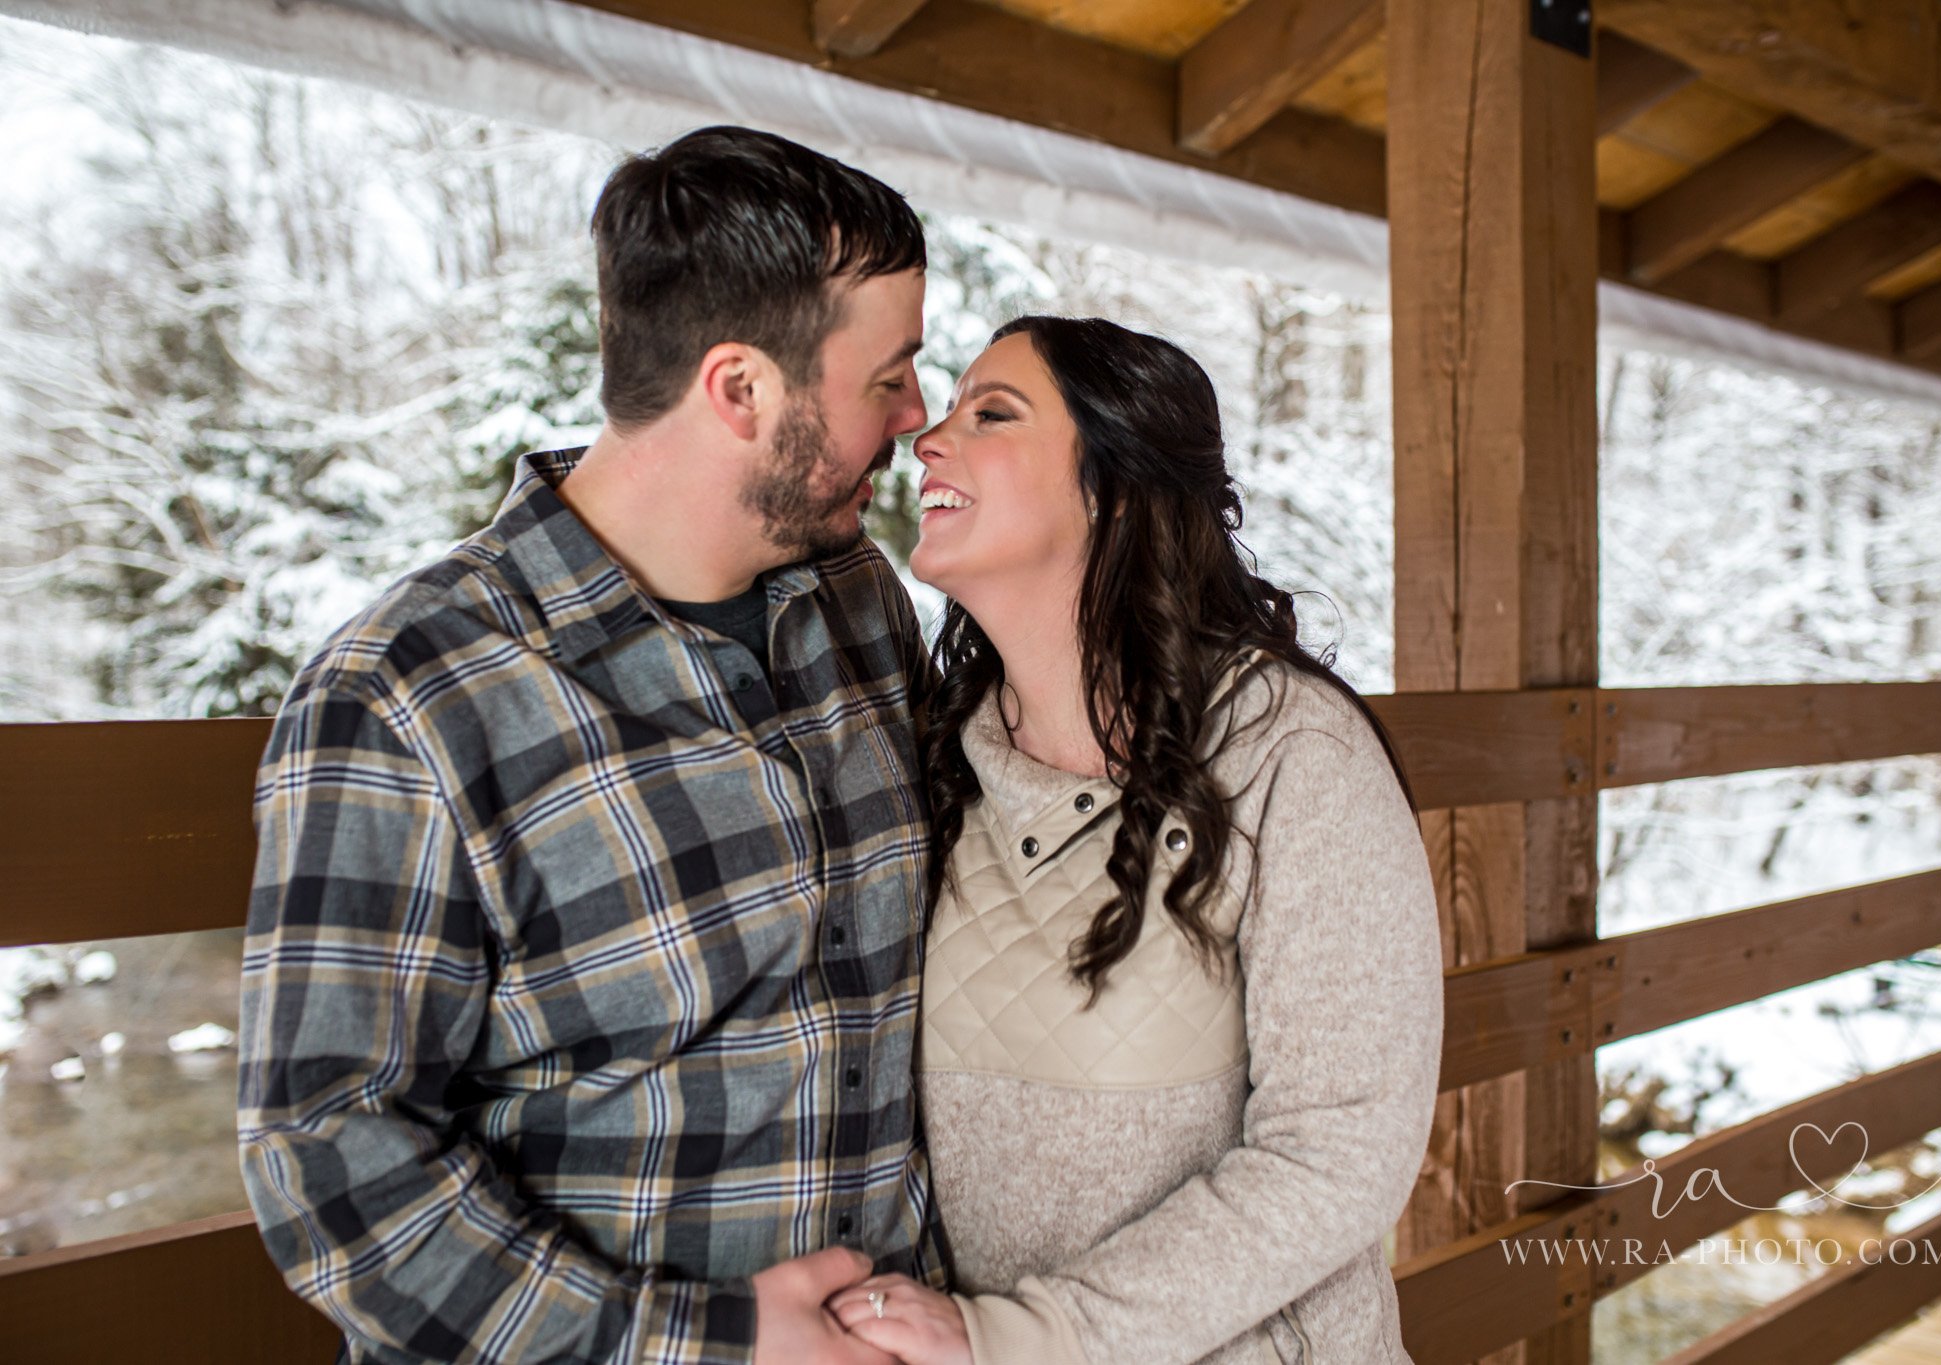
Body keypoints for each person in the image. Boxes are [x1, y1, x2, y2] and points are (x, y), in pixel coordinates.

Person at [237, 125, 949, 1365]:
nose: (917, 414)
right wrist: (696, 1344)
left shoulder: (860, 605)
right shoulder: (408, 694)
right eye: (888, 377)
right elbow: (331, 1161)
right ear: (741, 389)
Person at [824, 316, 1445, 1364]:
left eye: (991, 414)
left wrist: (1026, 1339)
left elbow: (1340, 1152)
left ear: (1111, 487)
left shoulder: (1291, 758)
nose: (928, 435)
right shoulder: (931, 760)